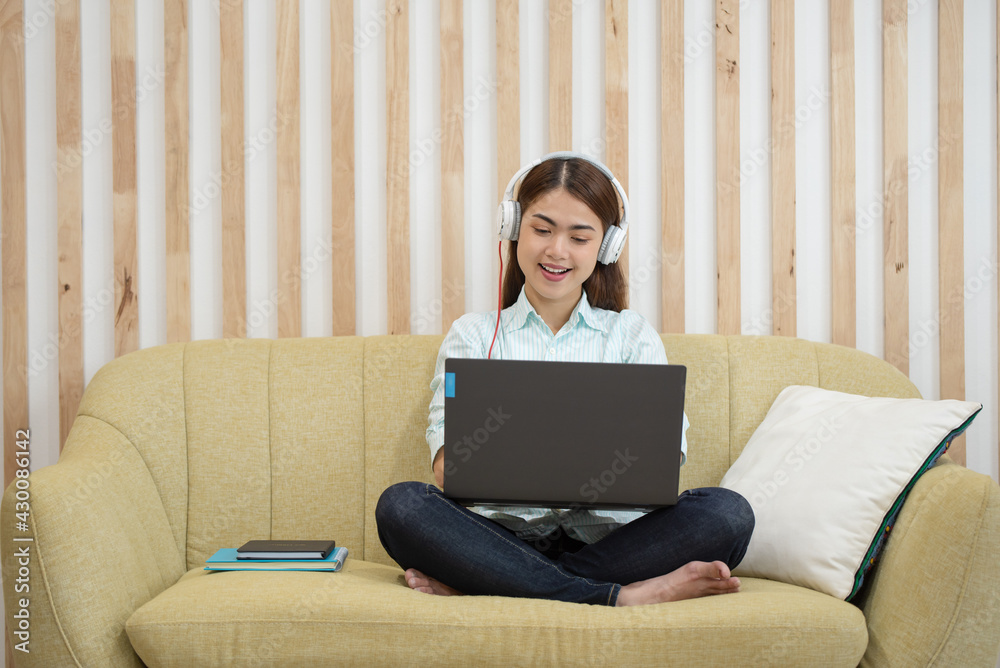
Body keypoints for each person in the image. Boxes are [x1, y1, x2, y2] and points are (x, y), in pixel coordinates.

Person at [375, 153, 754, 606]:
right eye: (542, 229)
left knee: (728, 513)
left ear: (606, 247)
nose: (557, 250)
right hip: (497, 538)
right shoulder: (473, 335)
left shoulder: (631, 336)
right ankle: (620, 597)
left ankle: (502, 584)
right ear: (514, 228)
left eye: (579, 237)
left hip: (612, 546)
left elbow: (663, 461)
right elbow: (445, 467)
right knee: (403, 506)